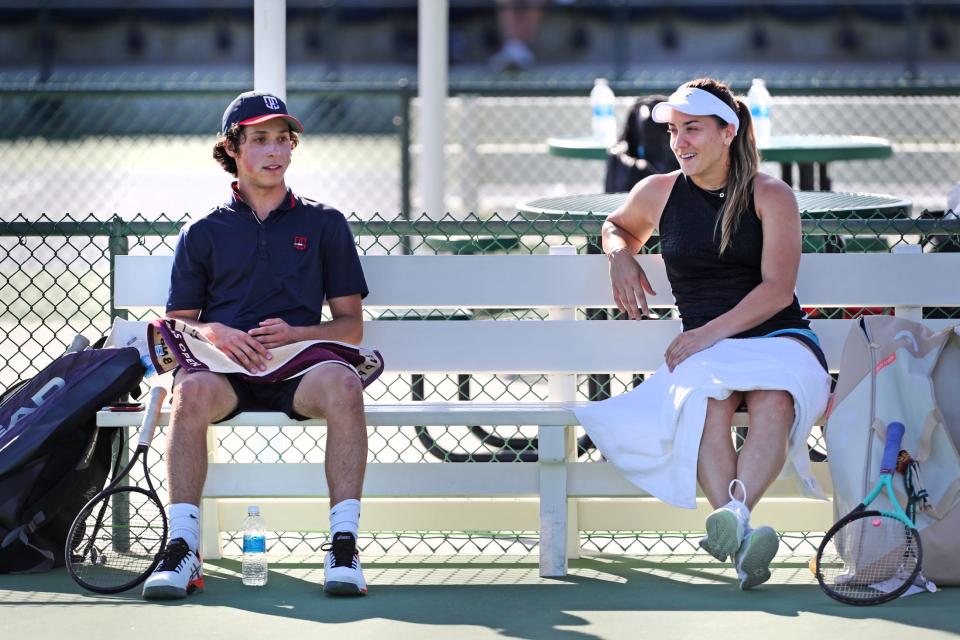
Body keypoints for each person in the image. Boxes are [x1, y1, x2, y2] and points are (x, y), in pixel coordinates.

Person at [576, 78, 831, 590]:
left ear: (727, 132)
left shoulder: (771, 194)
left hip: (780, 340)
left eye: (692, 129)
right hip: (708, 350)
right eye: (674, 131)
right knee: (704, 407)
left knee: (774, 402)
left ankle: (733, 521)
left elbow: (779, 289)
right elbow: (616, 226)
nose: (680, 143)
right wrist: (619, 255)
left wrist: (707, 335)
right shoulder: (658, 191)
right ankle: (739, 527)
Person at [142, 91, 371, 599]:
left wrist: (298, 335)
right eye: (261, 140)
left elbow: (351, 327)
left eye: (283, 140)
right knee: (191, 392)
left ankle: (344, 545)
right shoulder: (201, 231)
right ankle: (182, 547)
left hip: (299, 372)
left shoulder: (325, 223)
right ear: (233, 147)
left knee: (345, 383)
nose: (276, 152)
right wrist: (214, 332)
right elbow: (179, 325)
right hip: (224, 373)